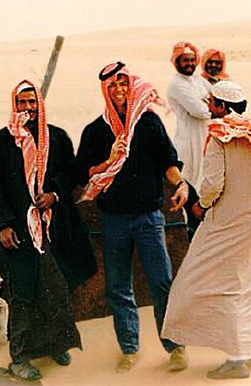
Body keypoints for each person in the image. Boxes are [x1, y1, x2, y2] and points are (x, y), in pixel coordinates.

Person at [162, 81, 251, 380]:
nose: (209, 106)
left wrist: (201, 206)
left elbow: (212, 186)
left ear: (222, 107)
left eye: (212, 101)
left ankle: (237, 358)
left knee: (208, 284)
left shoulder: (220, 139)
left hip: (230, 224)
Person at [75, 62, 190, 374]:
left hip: (149, 218)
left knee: (162, 283)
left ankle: (175, 346)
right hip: (113, 221)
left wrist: (179, 184)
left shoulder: (149, 123)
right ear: (105, 91)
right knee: (117, 286)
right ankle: (129, 348)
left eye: (123, 84)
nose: (120, 90)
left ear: (131, 85)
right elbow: (82, 173)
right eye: (113, 86)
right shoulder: (95, 131)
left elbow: (169, 162)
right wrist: (107, 161)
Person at [0, 80, 84, 381]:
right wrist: (3, 225)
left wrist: (54, 194)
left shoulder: (57, 137)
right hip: (18, 234)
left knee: (55, 288)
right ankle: (20, 357)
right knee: (23, 294)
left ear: (40, 105)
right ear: (14, 106)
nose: (27, 108)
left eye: (32, 103)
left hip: (53, 229)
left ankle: (56, 345)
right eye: (21, 103)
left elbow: (72, 174)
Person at [167, 42, 212, 188]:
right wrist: (209, 105)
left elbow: (217, 97)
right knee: (190, 179)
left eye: (192, 60)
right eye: (185, 60)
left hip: (205, 135)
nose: (190, 64)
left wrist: (207, 104)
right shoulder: (176, 84)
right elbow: (199, 111)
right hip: (188, 139)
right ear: (177, 62)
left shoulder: (198, 80)